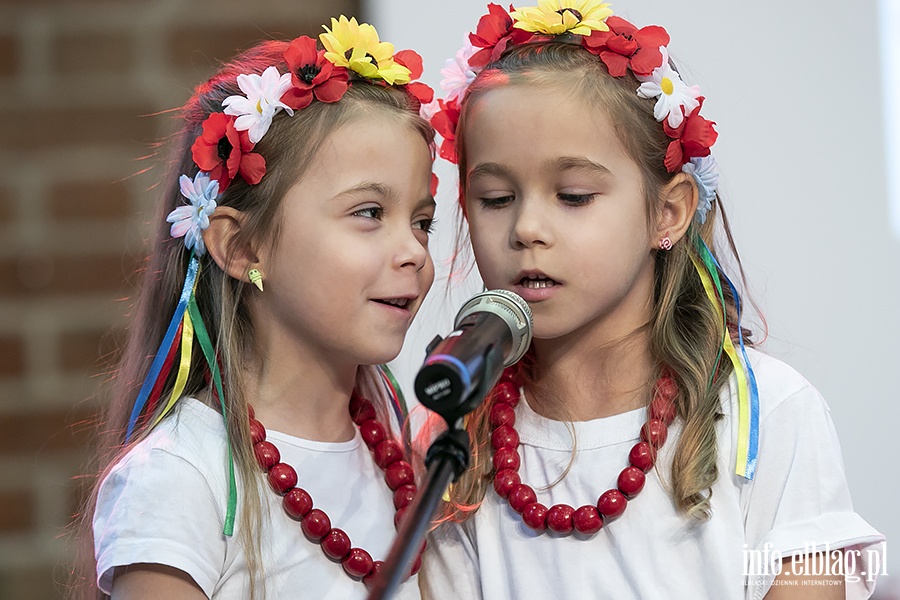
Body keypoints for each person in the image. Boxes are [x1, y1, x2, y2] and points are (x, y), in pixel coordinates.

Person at [419, 2, 886, 599]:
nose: (527, 227)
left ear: (668, 211)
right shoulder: (453, 435)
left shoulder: (775, 413)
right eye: (494, 197)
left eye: (574, 195)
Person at [72, 16, 438, 600]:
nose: (413, 252)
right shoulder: (182, 477)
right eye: (369, 213)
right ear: (241, 247)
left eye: (422, 222)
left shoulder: (402, 451)